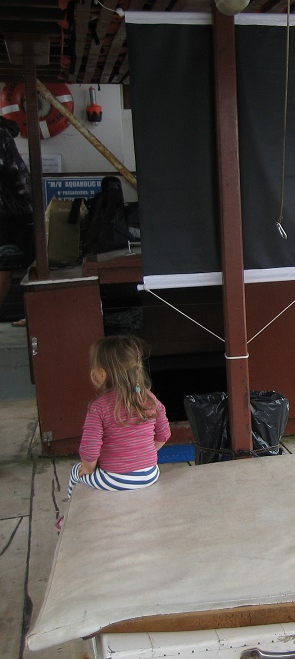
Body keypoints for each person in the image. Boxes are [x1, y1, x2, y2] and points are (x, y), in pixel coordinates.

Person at [61, 336, 170, 527]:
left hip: (116, 479)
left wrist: (87, 469)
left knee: (75, 473)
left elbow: (90, 449)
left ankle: (69, 520)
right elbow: (164, 434)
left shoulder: (99, 407)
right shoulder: (149, 398)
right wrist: (145, 453)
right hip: (151, 474)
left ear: (101, 374)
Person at [0, 116, 34, 323]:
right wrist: (29, 207)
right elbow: (18, 175)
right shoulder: (2, 135)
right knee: (4, 265)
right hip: (6, 215)